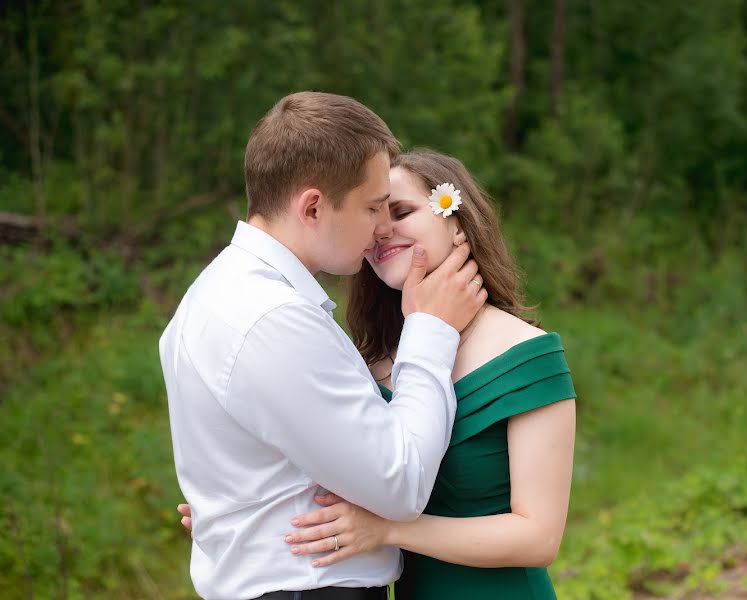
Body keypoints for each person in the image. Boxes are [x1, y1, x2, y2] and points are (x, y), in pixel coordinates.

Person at [181, 150, 575, 597]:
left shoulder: (526, 356)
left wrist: (391, 530)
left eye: (402, 212)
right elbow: (344, 470)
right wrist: (242, 507)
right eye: (373, 216)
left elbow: (538, 537)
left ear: (456, 221)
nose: (381, 230)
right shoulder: (374, 362)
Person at [160, 94, 486, 600]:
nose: (382, 228)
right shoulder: (272, 318)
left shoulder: (212, 294)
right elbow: (400, 484)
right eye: (372, 207)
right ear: (313, 206)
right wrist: (431, 330)